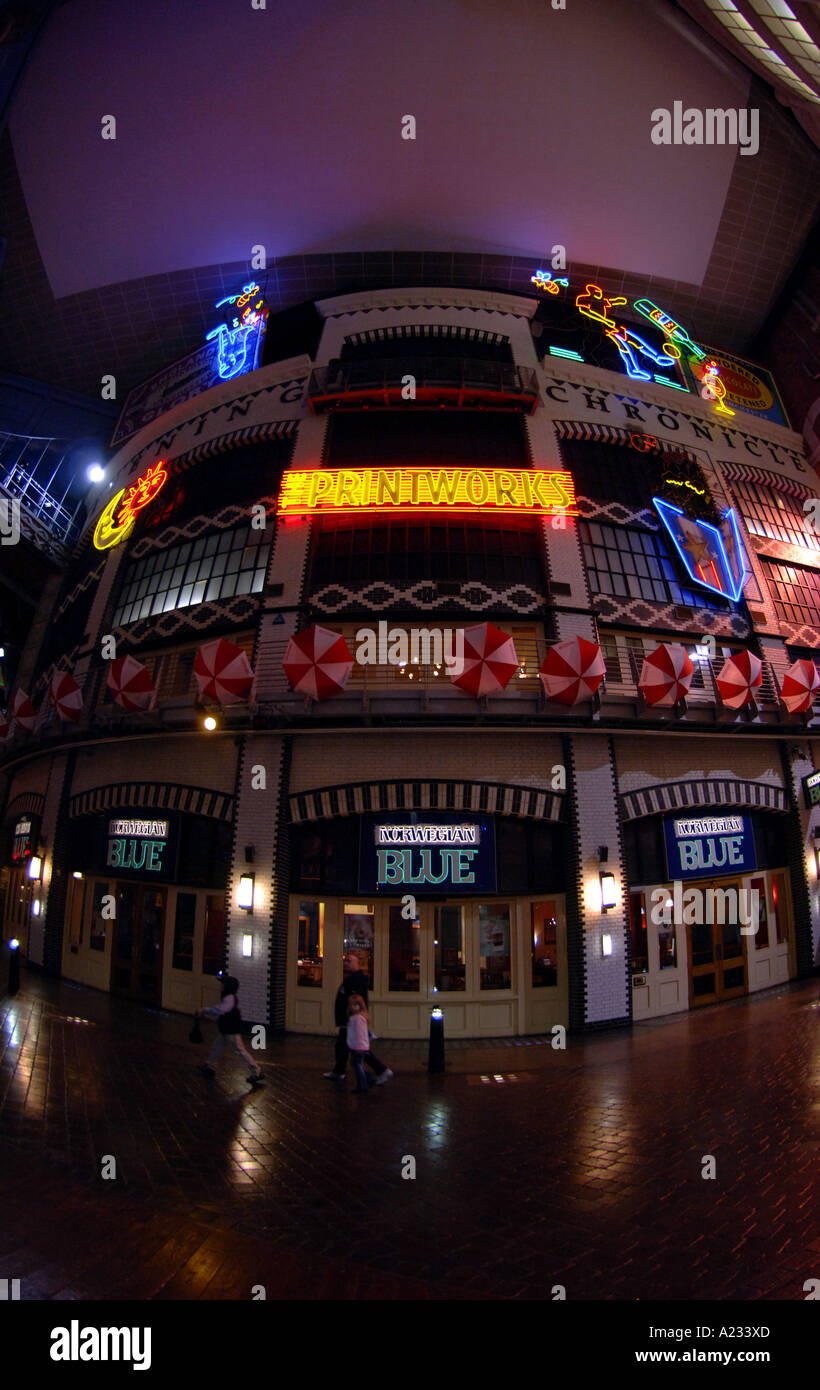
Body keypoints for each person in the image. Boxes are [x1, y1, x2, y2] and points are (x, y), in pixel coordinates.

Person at [323, 951, 392, 1085]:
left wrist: (354, 1016)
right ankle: (340, 1071)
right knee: (345, 1046)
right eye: (345, 960)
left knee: (356, 1048)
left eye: (349, 961)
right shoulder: (352, 978)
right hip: (348, 1019)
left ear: (357, 963)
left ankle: (380, 1070)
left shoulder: (356, 979)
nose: (346, 963)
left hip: (351, 1020)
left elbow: (357, 1000)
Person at [197, 974, 263, 1086]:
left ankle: (256, 1070)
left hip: (231, 1030)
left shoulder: (229, 998)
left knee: (240, 1051)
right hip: (227, 1029)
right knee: (217, 1047)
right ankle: (209, 1065)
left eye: (223, 984)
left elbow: (221, 1010)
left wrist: (204, 1011)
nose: (221, 986)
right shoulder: (230, 997)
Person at [347, 995, 372, 1094]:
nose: (352, 1007)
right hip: (359, 1046)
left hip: (358, 1046)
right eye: (351, 1005)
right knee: (355, 1063)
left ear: (360, 1006)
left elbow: (359, 1033)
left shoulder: (357, 1019)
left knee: (357, 1064)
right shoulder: (359, 1017)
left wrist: (357, 1045)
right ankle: (367, 1079)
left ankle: (363, 1085)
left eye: (355, 1005)